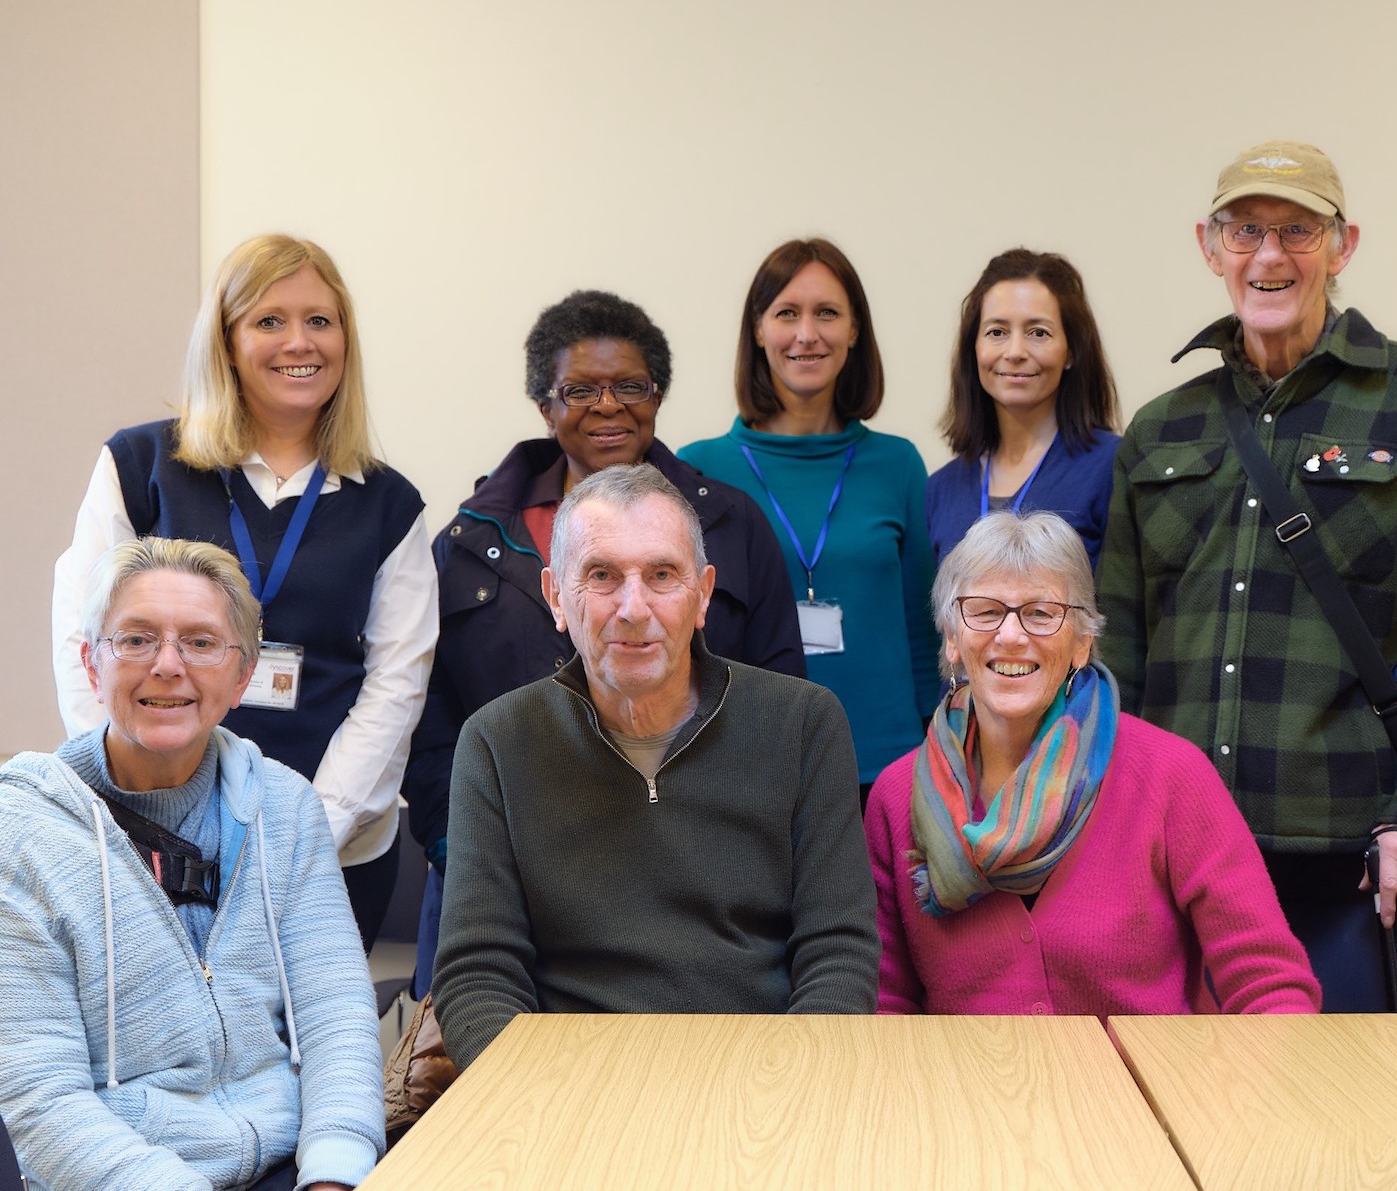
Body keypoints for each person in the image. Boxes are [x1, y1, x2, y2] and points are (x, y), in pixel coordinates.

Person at [1096, 140, 1397, 1011]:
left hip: (1358, 867)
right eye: (1247, 229)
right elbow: (1118, 661)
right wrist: (1110, 836)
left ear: (1344, 244)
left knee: (1357, 1134)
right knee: (1180, 1128)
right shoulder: (1159, 431)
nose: (1269, 255)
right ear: (1208, 245)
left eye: (1299, 230)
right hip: (1179, 868)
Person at [400, 289, 804, 997]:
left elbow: (778, 699)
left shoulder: (732, 527)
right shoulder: (467, 544)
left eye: (631, 387)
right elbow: (426, 727)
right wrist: (470, 855)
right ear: (544, 405)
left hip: (693, 879)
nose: (608, 406)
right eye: (580, 389)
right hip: (499, 890)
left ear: (659, 396)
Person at [51, 233, 436, 953]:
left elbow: (398, 683)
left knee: (308, 1049)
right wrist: (123, 796)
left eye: (321, 320)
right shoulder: (141, 466)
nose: (300, 341)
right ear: (226, 342)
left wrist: (307, 827)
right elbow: (86, 644)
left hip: (330, 849)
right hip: (152, 832)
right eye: (269, 320)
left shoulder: (389, 504)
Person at [432, 464, 878, 1068]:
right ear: (556, 597)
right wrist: (542, 1103)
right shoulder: (496, 742)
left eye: (662, 575)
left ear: (703, 595)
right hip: (571, 1095)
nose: (633, 607)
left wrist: (783, 1092)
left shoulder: (803, 724)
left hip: (763, 1086)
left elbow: (838, 955)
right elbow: (479, 975)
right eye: (602, 576)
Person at [1, 537, 383, 1190]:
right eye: (136, 639)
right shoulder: (24, 834)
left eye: (202, 642)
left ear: (242, 676)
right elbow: (43, 1102)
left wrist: (334, 1172)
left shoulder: (285, 808)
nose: (168, 665)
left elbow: (337, 1015)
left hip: (287, 1165)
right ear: (93, 665)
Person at [866, 512, 1320, 1015]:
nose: (1011, 635)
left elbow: (1271, 986)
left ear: (1082, 642)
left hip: (1143, 1089)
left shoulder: (1171, 776)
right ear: (952, 638)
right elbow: (886, 1003)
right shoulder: (896, 796)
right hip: (970, 1092)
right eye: (985, 611)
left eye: (1041, 613)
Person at [679, 238, 937, 796]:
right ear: (757, 330)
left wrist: (936, 744)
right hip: (747, 763)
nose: (806, 334)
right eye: (787, 313)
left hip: (888, 765)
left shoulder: (898, 464)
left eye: (827, 313)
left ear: (854, 331)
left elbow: (923, 627)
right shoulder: (698, 469)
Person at [926, 248, 1121, 568]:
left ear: (1070, 351)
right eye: (997, 332)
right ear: (973, 348)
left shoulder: (1112, 468)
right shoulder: (941, 489)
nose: (1015, 351)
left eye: (1038, 333)